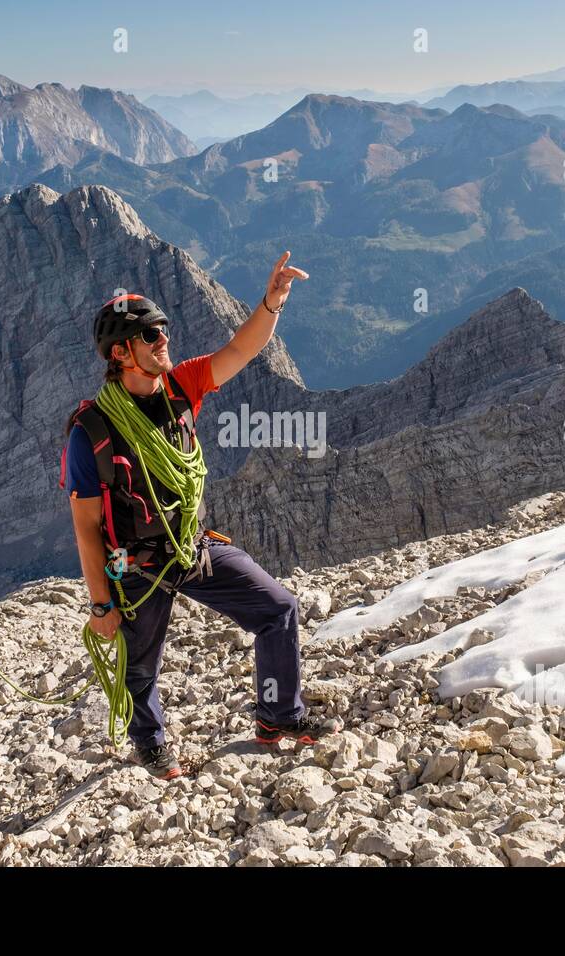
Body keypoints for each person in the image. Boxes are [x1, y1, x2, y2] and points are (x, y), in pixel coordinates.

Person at [60, 252, 335, 780]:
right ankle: (152, 744)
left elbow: (240, 349)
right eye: (150, 335)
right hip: (136, 564)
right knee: (141, 665)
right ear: (120, 354)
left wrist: (272, 300)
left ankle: (279, 717)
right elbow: (86, 527)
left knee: (278, 609)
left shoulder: (182, 387)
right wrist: (100, 605)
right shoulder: (90, 432)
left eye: (164, 329)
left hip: (191, 544)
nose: (164, 339)